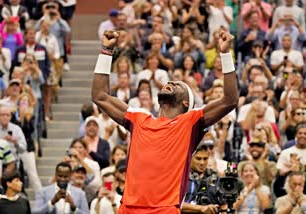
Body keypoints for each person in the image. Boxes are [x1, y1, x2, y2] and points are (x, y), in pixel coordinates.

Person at [91, 30, 238, 212]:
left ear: (186, 103)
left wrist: (225, 54)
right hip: (128, 208)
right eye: (171, 82)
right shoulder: (139, 118)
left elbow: (230, 100)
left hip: (164, 209)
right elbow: (100, 96)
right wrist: (106, 51)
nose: (172, 83)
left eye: (179, 86)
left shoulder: (190, 122)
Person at [182, 144, 220, 213]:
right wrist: (201, 208)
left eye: (205, 159)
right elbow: (176, 204)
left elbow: (224, 205)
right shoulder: (182, 177)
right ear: (190, 157)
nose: (202, 162)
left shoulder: (214, 177)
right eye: (198, 158)